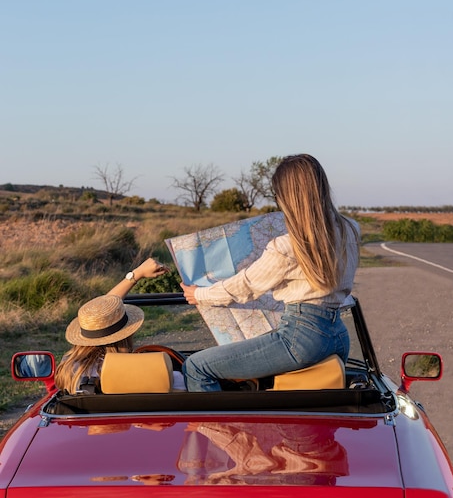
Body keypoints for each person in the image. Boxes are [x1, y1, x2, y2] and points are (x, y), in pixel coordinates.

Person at [180, 153, 361, 392]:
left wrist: (199, 295)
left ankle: (224, 429)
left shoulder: (287, 247)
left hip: (300, 336)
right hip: (337, 332)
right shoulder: (350, 229)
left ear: (288, 197)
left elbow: (245, 285)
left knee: (196, 366)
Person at [55, 257, 170, 393]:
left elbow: (101, 312)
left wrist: (137, 274)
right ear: (127, 334)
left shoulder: (69, 369)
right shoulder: (141, 372)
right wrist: (137, 274)